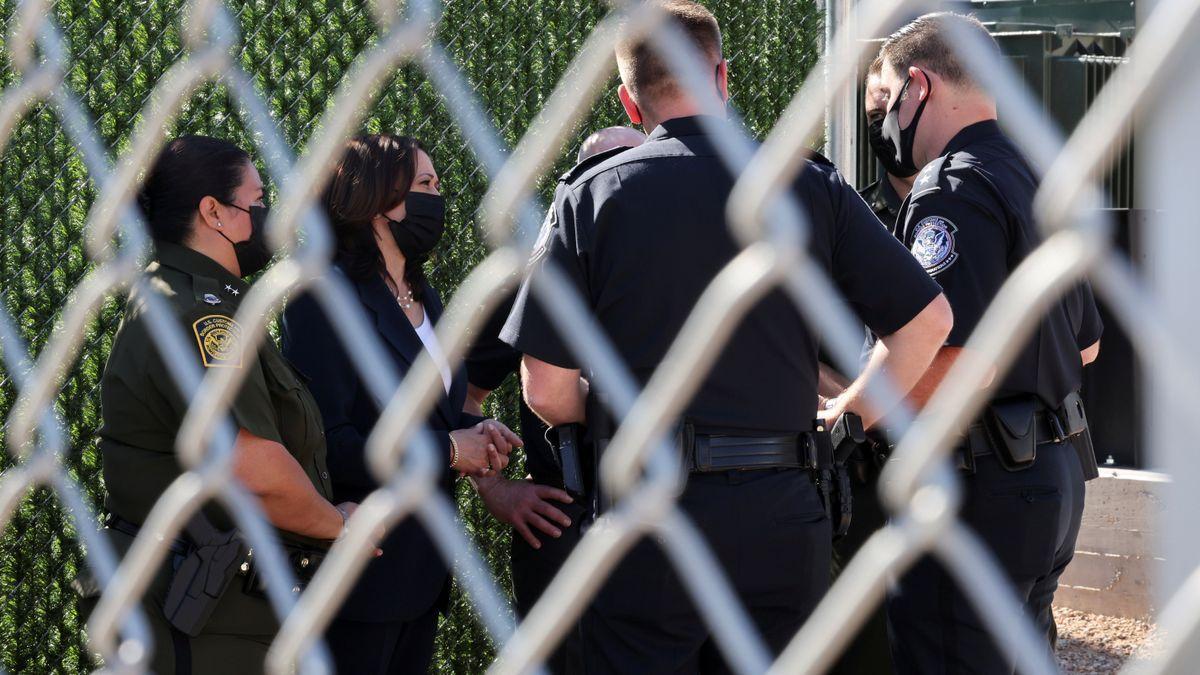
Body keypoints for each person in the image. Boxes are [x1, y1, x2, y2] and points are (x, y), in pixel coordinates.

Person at [500, 2, 953, 671]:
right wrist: (852, 411)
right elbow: (928, 321)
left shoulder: (593, 196)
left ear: (630, 102)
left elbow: (543, 383)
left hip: (649, 509)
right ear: (723, 77)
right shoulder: (803, 182)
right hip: (781, 506)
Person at [867, 13, 1103, 674]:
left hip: (979, 487)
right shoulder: (1037, 175)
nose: (883, 121)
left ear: (919, 85)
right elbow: (1086, 347)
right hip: (1053, 477)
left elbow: (957, 362)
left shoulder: (953, 187)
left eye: (886, 101)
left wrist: (858, 402)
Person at [87, 135, 366, 673]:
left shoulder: (201, 298)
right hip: (198, 610)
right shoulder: (197, 312)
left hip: (216, 602)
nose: (268, 215)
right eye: (257, 201)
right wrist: (338, 526)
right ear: (213, 212)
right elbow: (253, 467)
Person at [280, 134, 520, 674]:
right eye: (426, 184)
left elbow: (431, 414)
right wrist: (449, 450)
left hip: (420, 571)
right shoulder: (324, 299)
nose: (439, 196)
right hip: (360, 570)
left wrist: (473, 434)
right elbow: (327, 444)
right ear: (376, 200)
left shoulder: (422, 293)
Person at [464, 126, 644, 675]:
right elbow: (464, 397)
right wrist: (497, 489)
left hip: (669, 510)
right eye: (605, 172)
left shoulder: (683, 268)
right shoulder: (529, 274)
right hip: (564, 520)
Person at [825, 54, 928, 675]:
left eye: (889, 103)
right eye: (869, 108)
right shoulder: (848, 218)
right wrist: (865, 402)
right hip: (864, 465)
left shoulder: (980, 211)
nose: (880, 119)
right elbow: (803, 349)